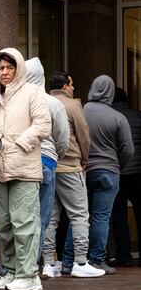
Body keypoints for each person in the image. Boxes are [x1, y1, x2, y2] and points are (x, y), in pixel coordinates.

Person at [0, 48, 51, 290]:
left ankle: (29, 274)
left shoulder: (33, 92)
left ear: (18, 68)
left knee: (24, 222)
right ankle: (12, 271)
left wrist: (19, 144)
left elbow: (42, 125)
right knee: (4, 224)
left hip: (24, 168)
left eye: (10, 67)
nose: (5, 72)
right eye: (1, 68)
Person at [42, 72, 104, 278]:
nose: (74, 88)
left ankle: (49, 263)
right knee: (79, 215)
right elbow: (83, 136)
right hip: (69, 165)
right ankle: (80, 261)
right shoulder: (71, 105)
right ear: (66, 86)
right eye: (72, 84)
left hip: (49, 165)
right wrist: (84, 160)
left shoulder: (42, 101)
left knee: (51, 218)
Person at [81, 75, 134, 274]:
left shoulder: (81, 111)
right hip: (109, 171)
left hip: (83, 171)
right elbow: (128, 150)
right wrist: (118, 166)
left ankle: (74, 259)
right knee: (101, 218)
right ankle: (96, 260)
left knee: (79, 216)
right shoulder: (118, 117)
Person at [25, 58, 69, 273]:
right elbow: (63, 137)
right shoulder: (53, 103)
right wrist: (55, 156)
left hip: (23, 163)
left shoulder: (19, 100)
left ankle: (16, 266)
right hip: (46, 161)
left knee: (21, 217)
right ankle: (33, 264)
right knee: (42, 218)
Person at [111, 87, 141, 266]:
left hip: (117, 172)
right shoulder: (137, 116)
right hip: (137, 173)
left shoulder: (110, 116)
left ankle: (124, 255)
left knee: (119, 215)